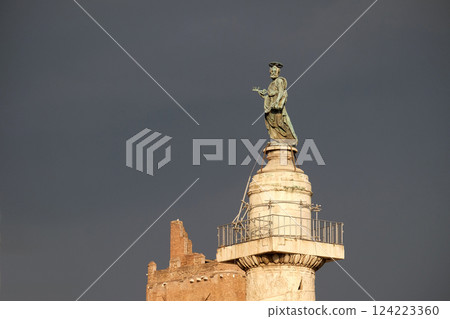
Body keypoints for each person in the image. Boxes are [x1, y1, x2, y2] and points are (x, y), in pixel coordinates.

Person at [255, 62, 298, 146]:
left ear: (278, 72)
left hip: (277, 108)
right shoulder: (272, 84)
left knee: (281, 123)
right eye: (272, 71)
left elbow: (281, 92)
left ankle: (290, 140)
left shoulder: (279, 81)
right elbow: (270, 97)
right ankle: (277, 140)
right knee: (273, 125)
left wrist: (277, 102)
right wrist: (264, 96)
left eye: (275, 71)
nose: (273, 72)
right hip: (271, 109)